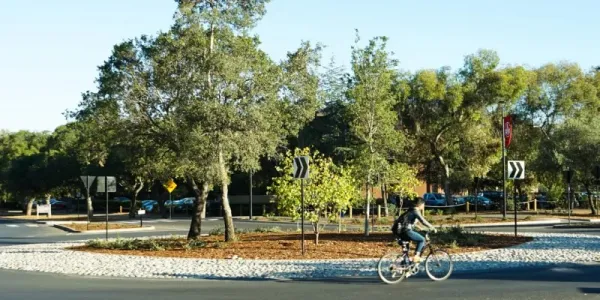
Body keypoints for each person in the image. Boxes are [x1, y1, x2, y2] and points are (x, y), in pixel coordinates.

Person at [391, 198, 437, 264]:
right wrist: (432, 227)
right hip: (406, 230)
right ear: (420, 204)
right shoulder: (415, 211)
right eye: (423, 204)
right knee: (422, 240)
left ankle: (405, 269)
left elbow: (412, 223)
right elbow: (423, 221)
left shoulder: (410, 210)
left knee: (406, 251)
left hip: (400, 232)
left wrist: (420, 228)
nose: (424, 206)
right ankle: (416, 256)